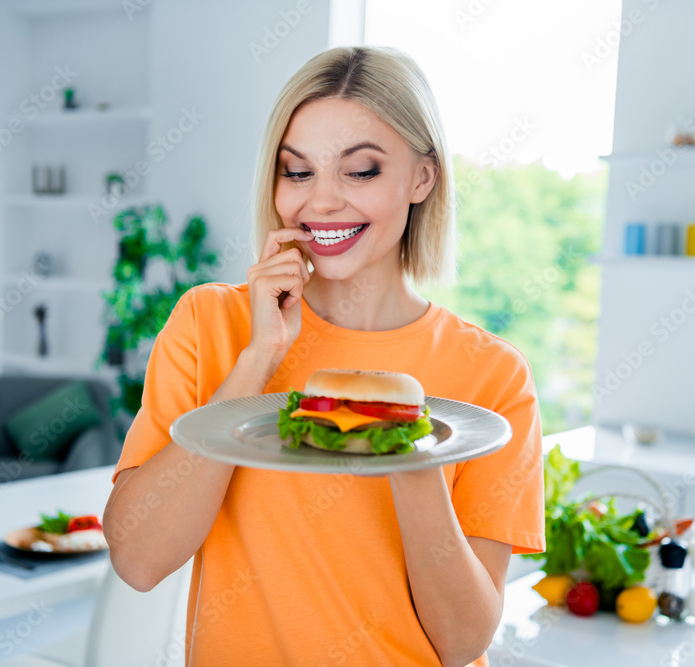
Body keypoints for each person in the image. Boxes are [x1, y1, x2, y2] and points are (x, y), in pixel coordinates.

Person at [103, 45, 545, 667]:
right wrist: (258, 357)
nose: (323, 202)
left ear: (423, 177)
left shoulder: (493, 374)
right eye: (298, 171)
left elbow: (462, 640)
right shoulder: (212, 323)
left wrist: (407, 441)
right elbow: (137, 559)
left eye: (360, 171)